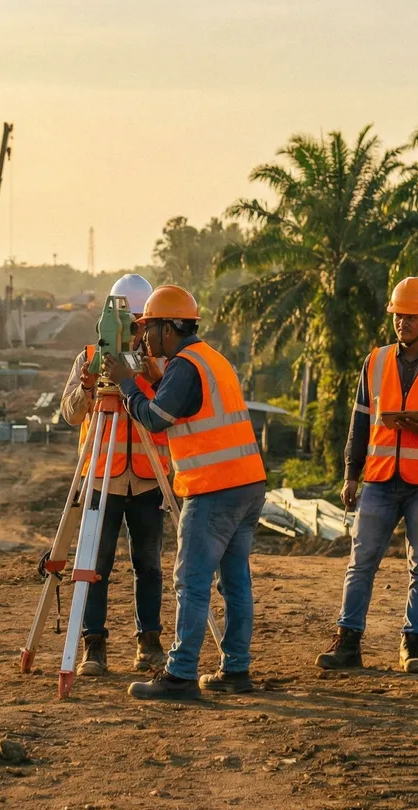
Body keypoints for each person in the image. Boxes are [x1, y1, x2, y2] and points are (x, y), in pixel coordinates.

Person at [102, 285, 269, 701]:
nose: (142, 338)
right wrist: (154, 377)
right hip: (247, 482)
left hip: (214, 488)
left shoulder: (185, 365)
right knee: (235, 581)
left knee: (190, 581)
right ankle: (235, 669)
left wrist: (127, 383)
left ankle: (179, 674)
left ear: (168, 327)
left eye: (148, 328)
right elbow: (188, 404)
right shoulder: (209, 359)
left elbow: (156, 418)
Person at [319, 277, 418, 674]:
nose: (403, 324)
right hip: (379, 479)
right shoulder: (375, 361)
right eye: (398, 316)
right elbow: (359, 423)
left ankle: (413, 646)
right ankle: (348, 643)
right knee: (360, 561)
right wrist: (351, 474)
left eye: (411, 317)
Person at [59, 273, 169, 676]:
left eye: (141, 324)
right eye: (127, 323)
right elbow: (70, 415)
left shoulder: (162, 364)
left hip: (148, 479)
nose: (134, 333)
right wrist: (88, 385)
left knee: (149, 564)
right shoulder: (88, 357)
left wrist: (148, 373)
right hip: (101, 477)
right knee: (95, 562)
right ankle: (94, 646)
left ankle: (149, 643)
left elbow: (174, 414)